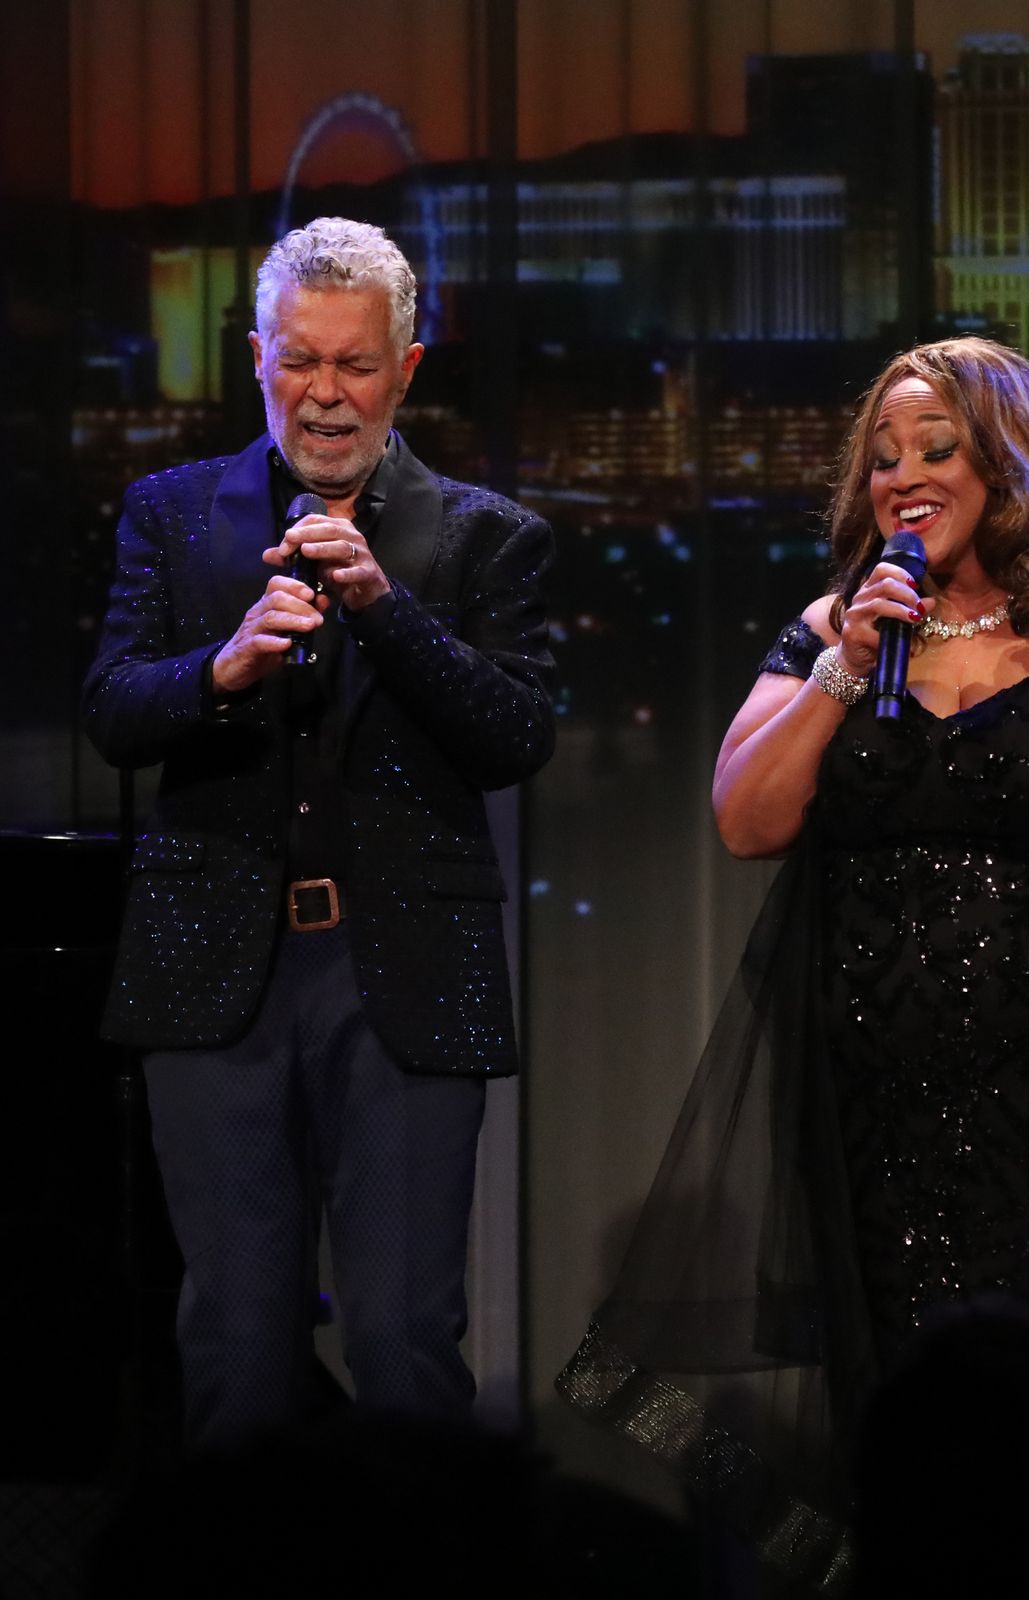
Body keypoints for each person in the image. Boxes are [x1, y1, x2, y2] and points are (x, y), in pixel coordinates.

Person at [558, 338, 1029, 1591]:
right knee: (896, 1408)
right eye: (882, 457)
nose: (903, 476)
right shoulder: (835, 630)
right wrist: (841, 665)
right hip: (871, 1108)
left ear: (1004, 463)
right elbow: (745, 821)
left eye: (935, 448)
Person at [84, 218, 555, 1452]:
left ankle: (429, 1548)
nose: (325, 394)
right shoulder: (172, 514)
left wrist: (382, 607)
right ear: (257, 358)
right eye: (299, 360)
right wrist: (223, 668)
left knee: (402, 1339)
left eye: (354, 364)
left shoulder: (485, 535)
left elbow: (515, 735)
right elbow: (112, 710)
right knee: (238, 1346)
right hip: (213, 975)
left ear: (406, 369)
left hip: (402, 977)